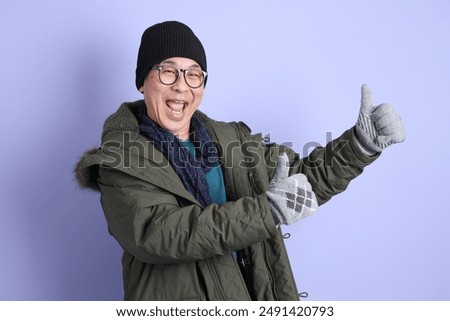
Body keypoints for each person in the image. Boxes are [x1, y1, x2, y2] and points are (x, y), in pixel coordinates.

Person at [75, 21, 405, 301]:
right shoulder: (119, 159)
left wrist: (359, 146)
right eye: (167, 72)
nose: (181, 87)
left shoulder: (230, 140)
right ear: (143, 81)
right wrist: (269, 210)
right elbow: (162, 234)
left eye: (194, 74)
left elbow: (301, 180)